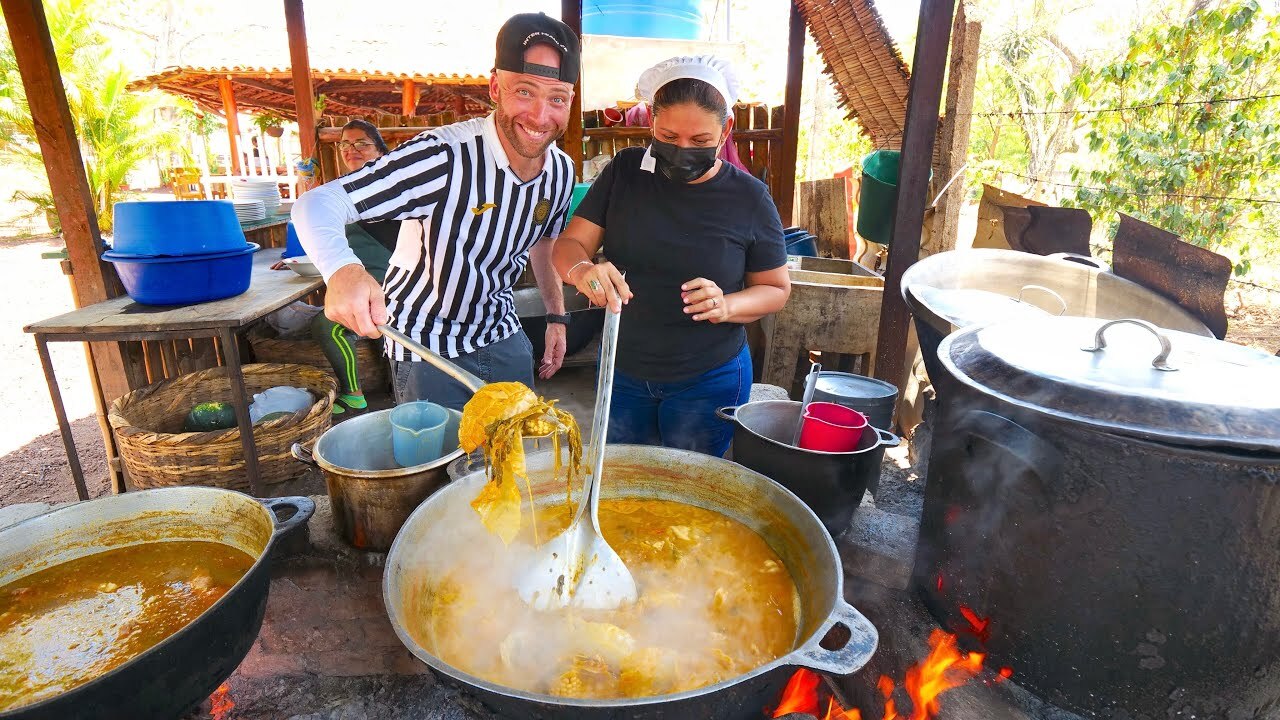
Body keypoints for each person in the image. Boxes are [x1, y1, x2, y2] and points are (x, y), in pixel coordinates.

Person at [293, 13, 579, 410]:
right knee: (443, 469)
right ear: (496, 87)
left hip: (501, 331)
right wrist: (343, 270)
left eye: (557, 98)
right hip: (425, 344)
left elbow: (544, 243)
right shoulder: (442, 156)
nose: (540, 115)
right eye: (525, 92)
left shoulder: (561, 172)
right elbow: (317, 203)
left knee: (518, 456)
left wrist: (556, 317)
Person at [552, 56, 791, 457]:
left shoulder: (749, 198)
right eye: (668, 136)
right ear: (651, 124)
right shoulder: (625, 172)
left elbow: (774, 289)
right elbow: (568, 246)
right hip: (621, 369)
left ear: (726, 129)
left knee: (690, 490)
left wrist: (726, 303)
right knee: (623, 482)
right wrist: (583, 272)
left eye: (699, 141)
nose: (682, 151)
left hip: (708, 379)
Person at [309, 120, 396, 415]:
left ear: (381, 151)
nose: (351, 150)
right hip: (363, 281)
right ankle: (389, 385)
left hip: (393, 282)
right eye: (345, 144)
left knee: (326, 326)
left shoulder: (393, 190)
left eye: (361, 144)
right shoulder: (338, 194)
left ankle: (353, 394)